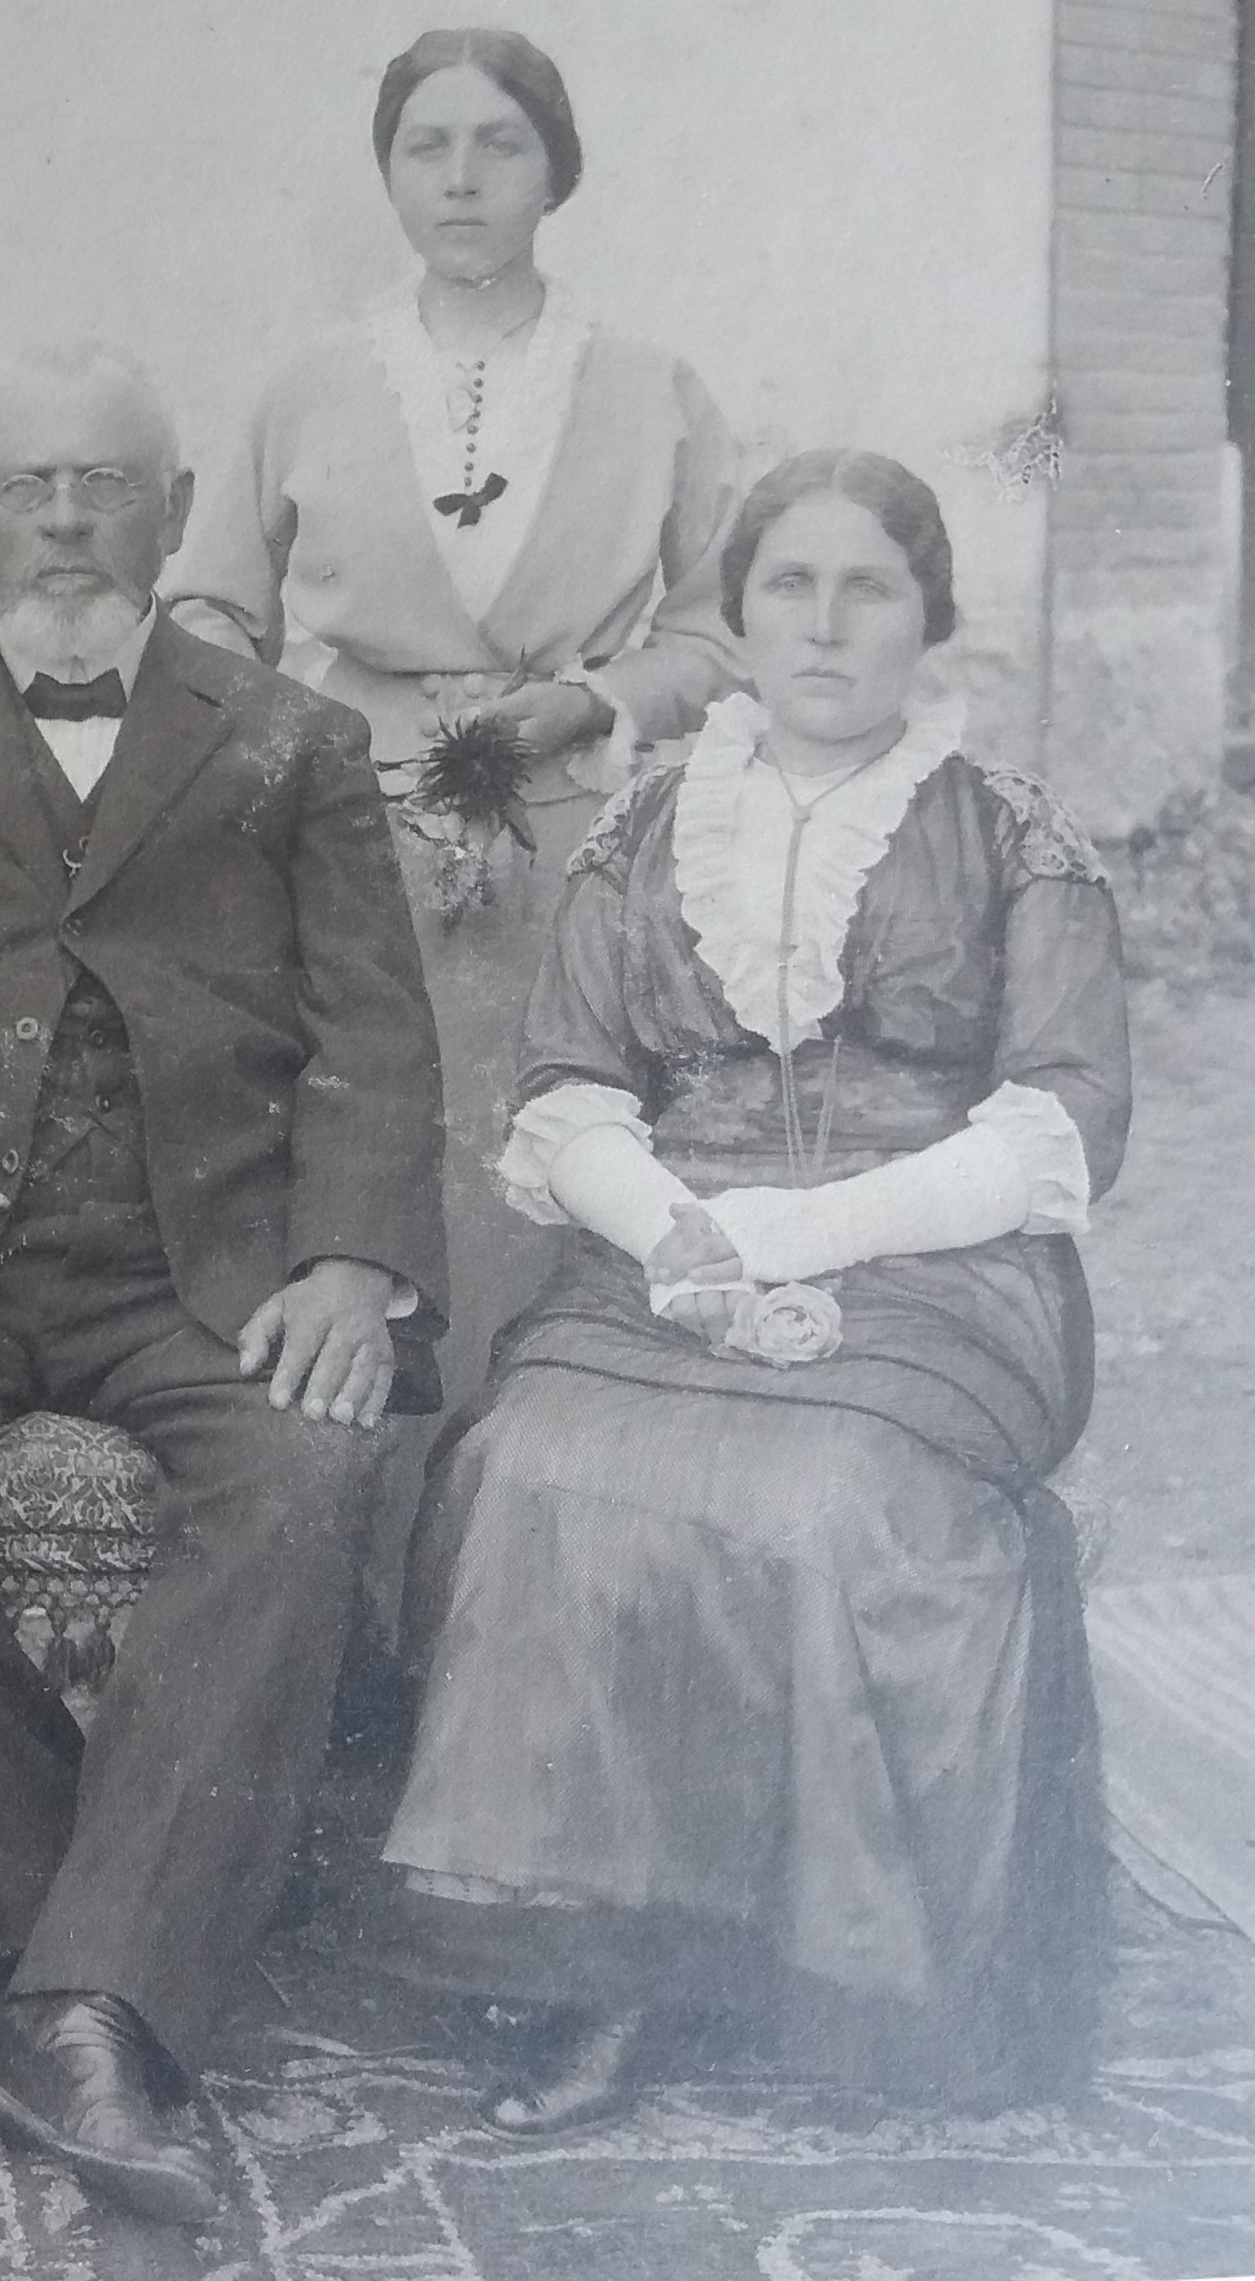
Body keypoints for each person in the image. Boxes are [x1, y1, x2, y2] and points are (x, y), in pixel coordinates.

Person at [0, 346, 445, 2228]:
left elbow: (373, 1026)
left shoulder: (291, 741)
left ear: (174, 511)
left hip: (204, 1267)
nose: (61, 522)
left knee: (303, 1465)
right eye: (23, 487)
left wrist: (350, 1262)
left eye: (102, 484)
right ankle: (94, 1951)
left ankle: (70, 1991)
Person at [380, 451, 1125, 2132]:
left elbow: (1056, 1124)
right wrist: (675, 1235)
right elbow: (569, 1092)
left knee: (829, 1488)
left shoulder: (1012, 835)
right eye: (790, 585)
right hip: (669, 1257)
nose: (826, 624)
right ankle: (604, 1967)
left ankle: (839, 1966)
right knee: (537, 1468)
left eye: (869, 588)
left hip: (941, 1271)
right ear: (739, 615)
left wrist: (796, 1234)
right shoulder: (643, 827)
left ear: (928, 617)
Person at [165, 28, 744, 1397]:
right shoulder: (310, 383)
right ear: (389, 174)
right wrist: (293, 738)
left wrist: (590, 700)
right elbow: (207, 610)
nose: (463, 177)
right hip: (350, 846)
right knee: (369, 1146)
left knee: (554, 1150)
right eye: (427, 146)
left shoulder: (651, 386)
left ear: (556, 171)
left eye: (501, 144)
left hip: (575, 853)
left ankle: (534, 1461)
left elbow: (719, 629)